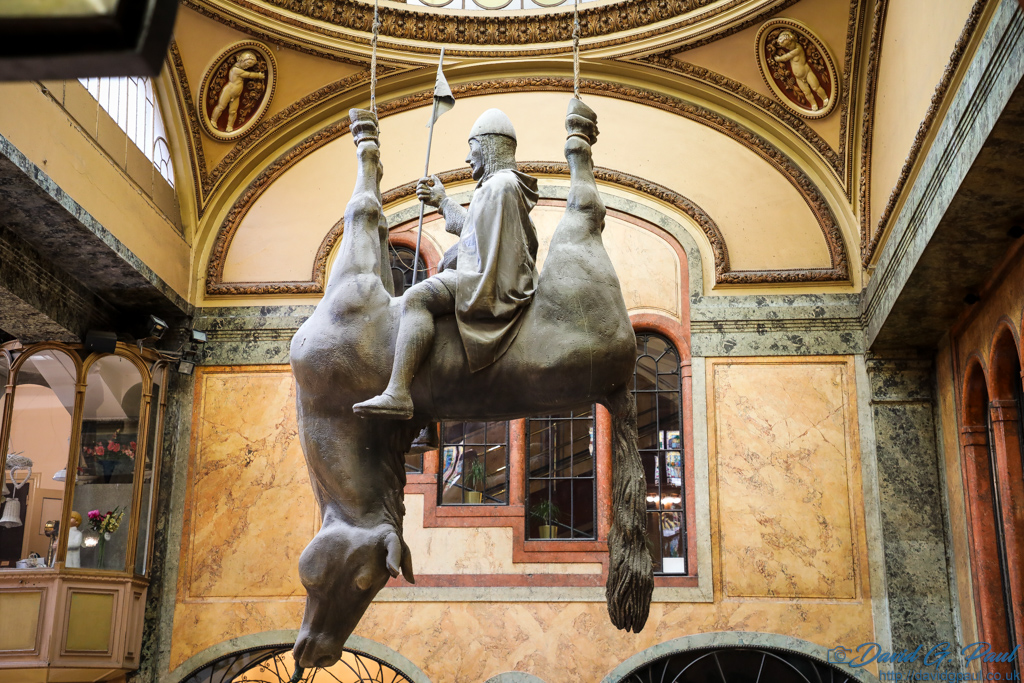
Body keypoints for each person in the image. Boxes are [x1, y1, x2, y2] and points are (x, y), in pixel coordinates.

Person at [354, 109, 539, 420]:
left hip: (491, 282)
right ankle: (427, 412)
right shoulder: (502, 186)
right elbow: (478, 233)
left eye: (473, 148)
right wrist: (442, 201)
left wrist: (443, 205)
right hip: (486, 275)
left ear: (490, 147)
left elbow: (479, 241)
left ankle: (398, 392)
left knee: (416, 298)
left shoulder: (500, 186)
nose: (468, 158)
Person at [210, 51, 265, 133]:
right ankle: (213, 120)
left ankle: (229, 126)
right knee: (221, 106)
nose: (247, 67)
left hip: (236, 95)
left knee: (233, 111)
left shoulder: (240, 69)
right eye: (246, 64)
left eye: (249, 66)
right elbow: (248, 75)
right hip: (228, 91)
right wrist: (258, 75)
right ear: (241, 60)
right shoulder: (236, 70)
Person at [774, 30, 829, 111]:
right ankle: (813, 104)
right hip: (798, 77)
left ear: (793, 40)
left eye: (789, 44)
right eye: (786, 47)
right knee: (806, 92)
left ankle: (824, 98)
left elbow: (786, 57)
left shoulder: (798, 49)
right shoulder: (792, 50)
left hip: (807, 72)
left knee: (815, 87)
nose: (788, 47)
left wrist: (778, 59)